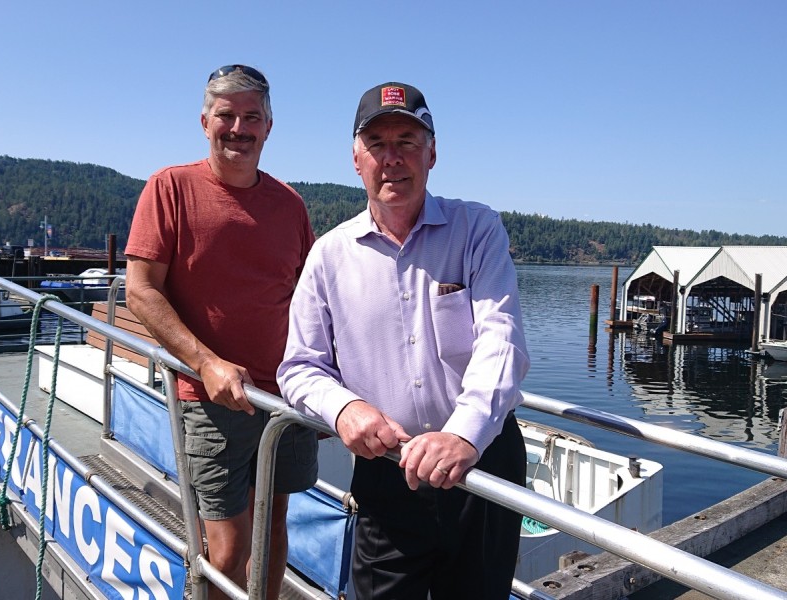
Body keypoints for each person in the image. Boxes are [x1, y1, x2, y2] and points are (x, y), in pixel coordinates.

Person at [277, 82, 530, 600]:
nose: (392, 159)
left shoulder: (477, 229)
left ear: (432, 152)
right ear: (356, 159)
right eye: (378, 144)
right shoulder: (328, 256)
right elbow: (299, 366)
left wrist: (463, 433)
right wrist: (345, 409)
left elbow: (501, 341)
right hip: (388, 469)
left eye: (407, 142)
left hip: (481, 461)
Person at [124, 64, 318, 600]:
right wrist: (206, 362)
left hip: (285, 397)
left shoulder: (290, 205)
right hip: (211, 399)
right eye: (227, 116)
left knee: (275, 527)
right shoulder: (171, 187)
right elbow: (140, 290)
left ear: (269, 127)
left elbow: (309, 297)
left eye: (251, 116)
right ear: (205, 122)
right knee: (228, 551)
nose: (239, 128)